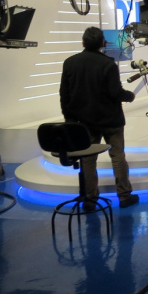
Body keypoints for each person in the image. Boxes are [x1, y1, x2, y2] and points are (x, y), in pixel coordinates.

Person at [59, 27, 139, 209]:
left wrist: (69, 119)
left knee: (88, 160)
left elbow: (64, 94)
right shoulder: (108, 64)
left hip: (84, 123)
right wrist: (130, 96)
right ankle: (124, 196)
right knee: (117, 157)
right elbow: (115, 93)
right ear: (103, 43)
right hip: (111, 121)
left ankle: (90, 199)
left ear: (83, 43)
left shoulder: (70, 63)